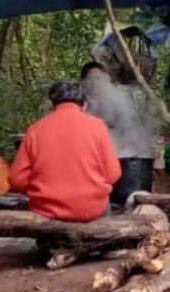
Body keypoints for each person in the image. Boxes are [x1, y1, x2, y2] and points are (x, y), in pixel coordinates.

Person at [9, 80, 122, 222]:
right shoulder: (97, 126)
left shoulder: (35, 130)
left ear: (51, 105)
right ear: (84, 105)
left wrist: (40, 187)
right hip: (90, 209)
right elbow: (113, 174)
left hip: (46, 211)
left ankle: (47, 244)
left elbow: (17, 179)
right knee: (105, 207)